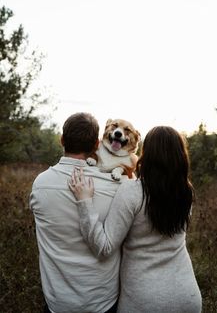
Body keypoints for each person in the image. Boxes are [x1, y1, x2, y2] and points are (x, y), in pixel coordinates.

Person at [69, 126, 202, 313]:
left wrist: (84, 202)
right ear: (181, 157)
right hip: (188, 297)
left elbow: (104, 247)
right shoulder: (186, 193)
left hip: (144, 300)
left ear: (146, 154)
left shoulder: (132, 191)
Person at [29, 112, 128, 313]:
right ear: (96, 145)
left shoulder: (40, 185)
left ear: (62, 140)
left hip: (58, 301)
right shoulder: (117, 187)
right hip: (102, 302)